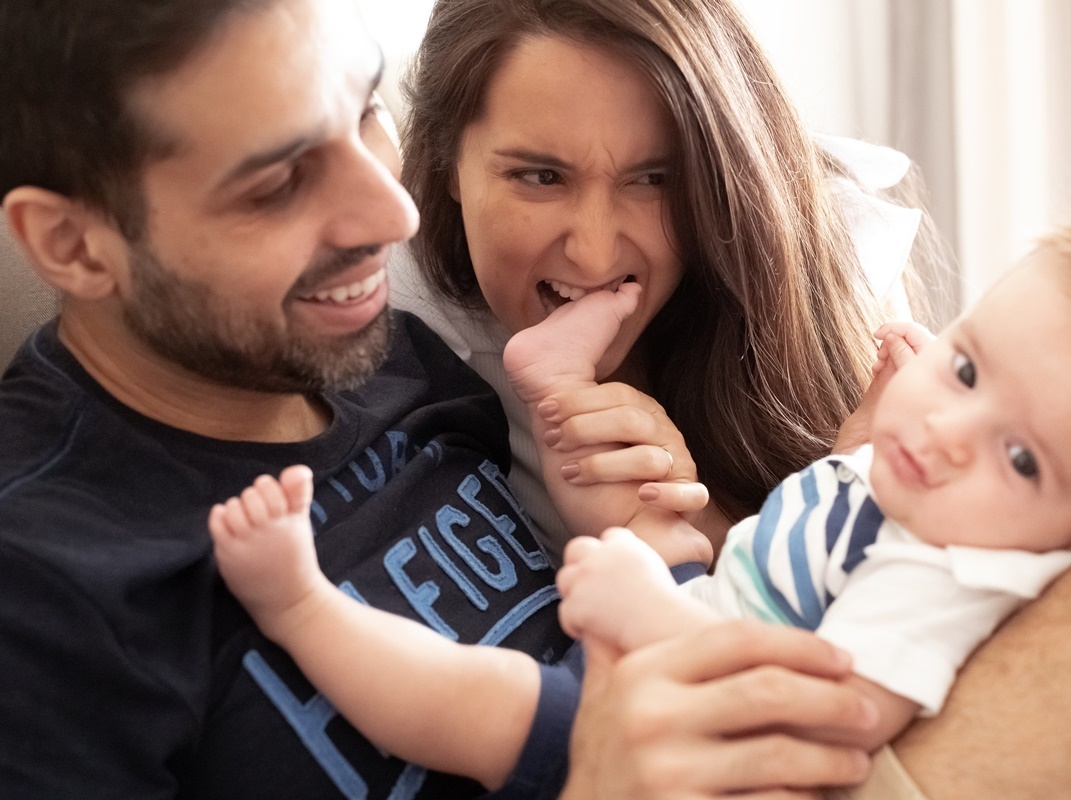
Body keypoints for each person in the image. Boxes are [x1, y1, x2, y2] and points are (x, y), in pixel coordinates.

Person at [0, 0, 878, 797]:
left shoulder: (399, 363)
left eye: (366, 112)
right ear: (73, 244)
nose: (397, 217)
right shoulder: (44, 590)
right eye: (277, 185)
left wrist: (625, 527)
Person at [206, 201, 1071, 783]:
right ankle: (555, 384)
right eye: (970, 369)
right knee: (645, 505)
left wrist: (644, 611)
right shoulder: (934, 479)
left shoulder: (951, 579)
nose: (942, 435)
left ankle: (300, 604)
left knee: (482, 697)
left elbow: (816, 715)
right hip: (718, 589)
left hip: (673, 727)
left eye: (1022, 458)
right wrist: (866, 431)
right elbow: (828, 520)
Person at [390, 0, 937, 565]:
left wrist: (836, 502)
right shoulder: (388, 344)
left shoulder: (825, 263)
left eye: (653, 179)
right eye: (541, 177)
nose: (596, 253)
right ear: (444, 162)